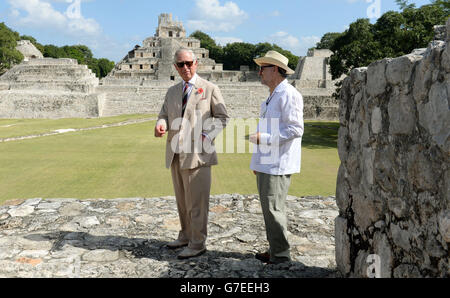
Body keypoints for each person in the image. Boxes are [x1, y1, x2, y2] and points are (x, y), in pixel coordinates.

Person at [155, 48, 229, 259]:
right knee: (182, 201)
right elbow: (163, 114)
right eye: (180, 64)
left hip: (198, 154)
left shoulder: (209, 88)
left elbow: (223, 118)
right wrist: (161, 124)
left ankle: (197, 243)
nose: (185, 67)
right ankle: (185, 235)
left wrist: (206, 136)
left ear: (196, 63)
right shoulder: (172, 91)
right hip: (176, 153)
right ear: (175, 67)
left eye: (189, 63)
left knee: (197, 202)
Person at [249, 50, 304, 264]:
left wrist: (265, 138)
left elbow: (295, 129)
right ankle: (275, 249)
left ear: (276, 70)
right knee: (269, 209)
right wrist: (257, 162)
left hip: (278, 163)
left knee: (273, 209)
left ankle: (281, 255)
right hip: (268, 162)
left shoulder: (289, 94)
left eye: (264, 68)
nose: (260, 72)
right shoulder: (273, 96)